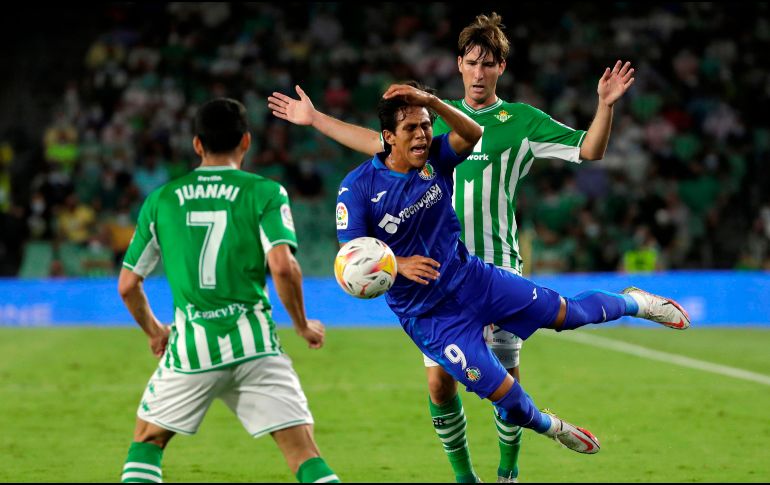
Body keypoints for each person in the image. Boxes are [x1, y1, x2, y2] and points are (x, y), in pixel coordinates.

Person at [267, 12, 635, 483]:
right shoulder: (427, 132)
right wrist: (315, 118)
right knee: (441, 385)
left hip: (492, 265)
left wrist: (604, 106)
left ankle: (508, 471)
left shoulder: (518, 121)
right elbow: (376, 145)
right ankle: (465, 477)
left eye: (489, 63)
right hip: (430, 280)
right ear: (459, 64)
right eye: (471, 62)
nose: (479, 73)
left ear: (501, 66)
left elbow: (589, 150)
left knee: (506, 382)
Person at [335, 81, 689, 478]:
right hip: (433, 319)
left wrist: (431, 102)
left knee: (567, 314)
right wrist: (397, 265)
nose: (421, 135)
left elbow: (473, 133)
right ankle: (552, 428)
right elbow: (349, 259)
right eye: (411, 129)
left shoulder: (438, 156)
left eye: (425, 126)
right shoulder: (358, 188)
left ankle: (636, 302)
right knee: (509, 400)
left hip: (475, 279)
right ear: (388, 138)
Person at [117, 98, 339, 484]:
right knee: (303, 454)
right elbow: (283, 266)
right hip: (256, 346)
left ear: (197, 145)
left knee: (148, 440)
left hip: (191, 350)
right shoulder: (265, 192)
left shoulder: (161, 200)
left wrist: (155, 332)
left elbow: (128, 284)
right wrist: (301, 325)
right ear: (246, 142)